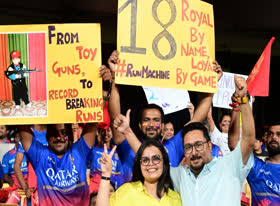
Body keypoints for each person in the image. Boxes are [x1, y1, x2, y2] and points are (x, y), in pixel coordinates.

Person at [108, 50, 222, 179]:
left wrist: (212, 84)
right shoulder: (127, 143)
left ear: (162, 126)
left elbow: (197, 119)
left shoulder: (173, 147)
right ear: (139, 125)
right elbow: (114, 116)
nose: (151, 124)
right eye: (147, 120)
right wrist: (115, 77)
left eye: (156, 120)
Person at [169, 75, 255, 205]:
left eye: (199, 145)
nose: (194, 152)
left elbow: (248, 141)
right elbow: (151, 163)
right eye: (188, 147)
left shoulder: (229, 166)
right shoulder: (179, 175)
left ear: (210, 145)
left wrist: (243, 99)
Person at [18, 123, 97, 206]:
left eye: (64, 133)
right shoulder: (40, 156)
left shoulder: (80, 151)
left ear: (70, 136)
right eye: (54, 134)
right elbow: (22, 123)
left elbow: (93, 121)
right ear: (47, 137)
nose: (59, 137)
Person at [96, 140, 181, 205]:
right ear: (139, 165)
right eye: (145, 160)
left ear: (164, 162)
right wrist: (106, 174)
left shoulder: (175, 198)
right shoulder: (127, 191)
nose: (150, 163)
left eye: (156, 159)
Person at [229, 119, 280, 205]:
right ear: (266, 138)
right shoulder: (256, 167)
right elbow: (234, 145)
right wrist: (238, 110)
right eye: (270, 134)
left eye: (279, 134)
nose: (274, 137)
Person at [89, 126, 125, 193]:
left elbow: (120, 172)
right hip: (96, 187)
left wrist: (112, 174)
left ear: (112, 133)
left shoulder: (115, 152)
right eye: (103, 130)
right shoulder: (93, 150)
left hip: (112, 188)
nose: (106, 133)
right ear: (98, 132)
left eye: (108, 130)